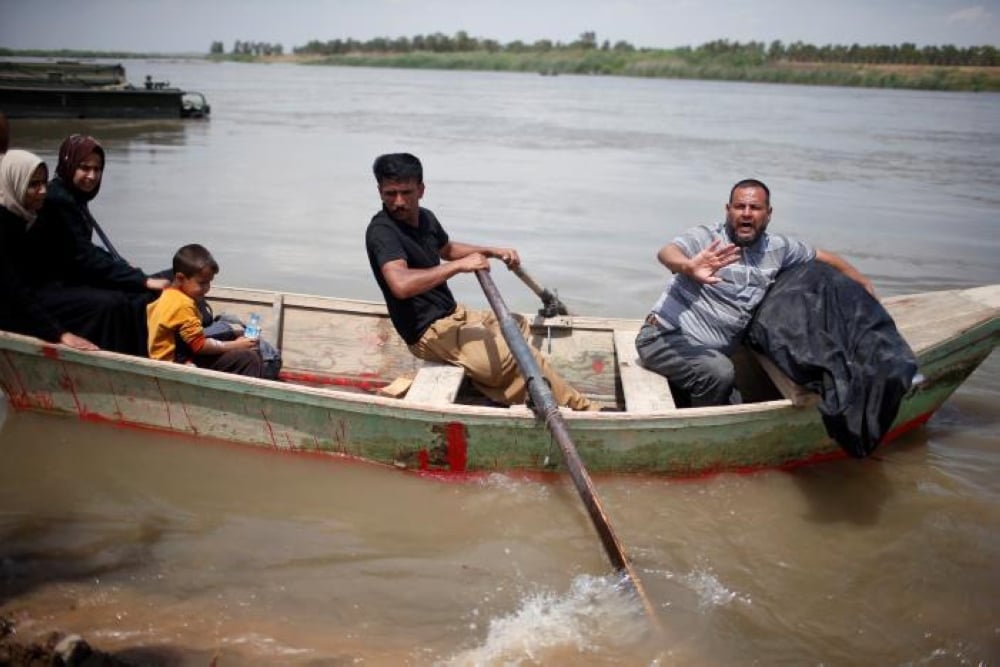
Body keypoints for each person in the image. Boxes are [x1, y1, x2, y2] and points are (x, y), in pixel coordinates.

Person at [365, 152, 595, 411]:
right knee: (516, 355)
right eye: (390, 194)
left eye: (406, 193)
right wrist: (459, 267)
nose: (398, 202)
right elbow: (401, 285)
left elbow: (447, 249)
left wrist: (491, 251)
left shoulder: (425, 218)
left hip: (454, 315)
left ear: (421, 190)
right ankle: (583, 408)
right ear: (380, 191)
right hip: (428, 332)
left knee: (518, 324)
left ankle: (491, 383)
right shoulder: (382, 232)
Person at [636, 178, 874, 408]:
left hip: (711, 356)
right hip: (663, 337)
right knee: (720, 373)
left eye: (755, 207)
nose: (747, 213)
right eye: (740, 207)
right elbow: (667, 252)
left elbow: (824, 258)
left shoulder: (778, 249)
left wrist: (863, 284)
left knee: (734, 400)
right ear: (728, 210)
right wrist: (688, 266)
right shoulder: (707, 239)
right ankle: (698, 440)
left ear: (768, 213)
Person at [0, 149, 121, 351]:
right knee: (105, 304)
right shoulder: (5, 224)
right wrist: (59, 333)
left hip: (38, 295)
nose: (43, 191)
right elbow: (13, 288)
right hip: (12, 308)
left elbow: (75, 253)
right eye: (33, 185)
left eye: (43, 183)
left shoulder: (33, 216)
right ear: (14, 183)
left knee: (117, 298)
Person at [147, 243, 263, 377]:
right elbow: (199, 345)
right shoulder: (182, 305)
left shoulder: (169, 294)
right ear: (180, 278)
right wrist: (236, 345)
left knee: (235, 336)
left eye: (209, 282)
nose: (207, 288)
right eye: (202, 283)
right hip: (175, 366)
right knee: (248, 358)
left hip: (178, 355)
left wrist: (235, 336)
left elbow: (192, 337)